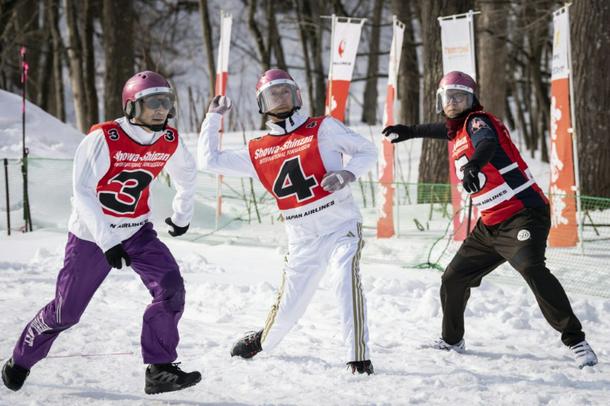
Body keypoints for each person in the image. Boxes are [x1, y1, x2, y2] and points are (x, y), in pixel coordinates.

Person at [2, 71, 202, 394]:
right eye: (152, 103)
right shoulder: (103, 139)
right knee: (66, 312)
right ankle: (21, 358)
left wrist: (182, 214)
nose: (160, 110)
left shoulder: (168, 139)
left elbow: (187, 173)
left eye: (165, 103)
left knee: (171, 288)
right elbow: (82, 193)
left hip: (137, 231)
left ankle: (160, 368)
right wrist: (108, 241)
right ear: (131, 106)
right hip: (92, 236)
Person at [382, 70, 597, 369]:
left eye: (461, 97)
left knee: (531, 267)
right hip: (490, 225)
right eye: (449, 97)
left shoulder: (477, 121)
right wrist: (410, 131)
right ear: (440, 101)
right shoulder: (457, 131)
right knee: (454, 278)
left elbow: (486, 143)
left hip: (522, 214)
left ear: (472, 100)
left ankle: (576, 340)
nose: (454, 103)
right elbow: (440, 129)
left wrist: (474, 164)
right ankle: (452, 340)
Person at [198, 69, 377, 375]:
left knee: (345, 281)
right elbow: (209, 161)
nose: (280, 98)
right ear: (262, 104)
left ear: (297, 96)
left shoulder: (323, 128)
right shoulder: (257, 150)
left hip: (341, 226)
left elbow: (367, 150)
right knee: (288, 311)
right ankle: (263, 340)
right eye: (272, 94)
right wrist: (212, 118)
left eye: (285, 91)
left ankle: (358, 357)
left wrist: (348, 173)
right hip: (302, 239)